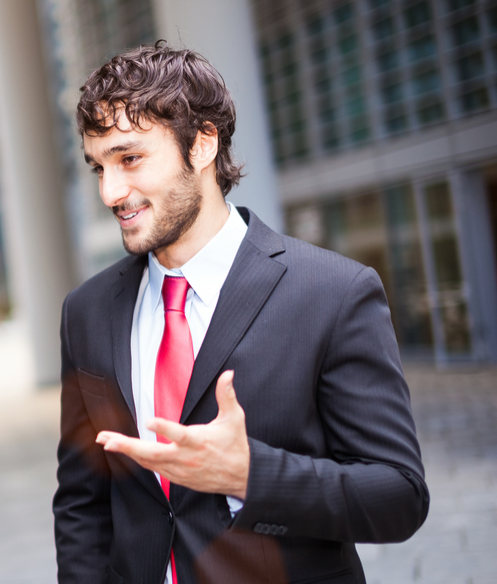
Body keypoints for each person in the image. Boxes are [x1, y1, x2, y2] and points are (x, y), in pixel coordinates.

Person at [53, 42, 429, 584]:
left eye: (130, 158)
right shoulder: (85, 312)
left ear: (203, 143)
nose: (111, 191)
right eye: (98, 166)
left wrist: (252, 477)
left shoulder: (334, 293)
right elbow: (82, 503)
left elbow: (399, 495)